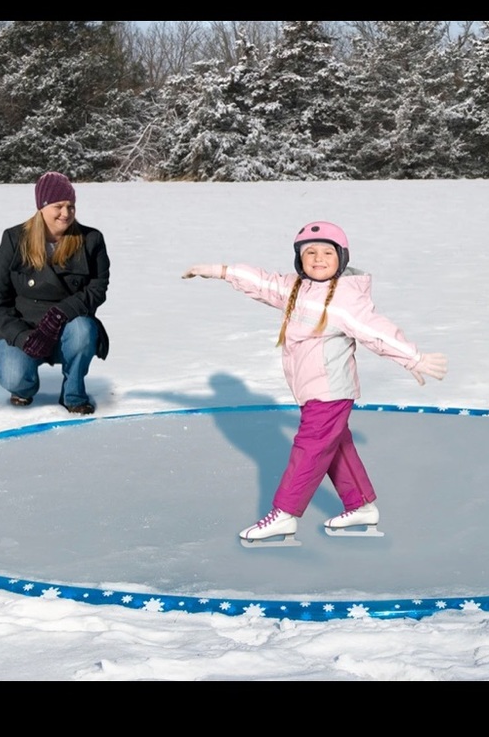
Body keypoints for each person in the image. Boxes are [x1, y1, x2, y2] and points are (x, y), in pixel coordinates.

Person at [182, 220, 448, 545]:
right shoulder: (297, 289)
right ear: (299, 259)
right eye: (310, 252)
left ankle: (284, 514)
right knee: (335, 446)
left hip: (330, 391)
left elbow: (375, 331)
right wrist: (222, 270)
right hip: (313, 390)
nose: (318, 259)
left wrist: (412, 357)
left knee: (310, 449)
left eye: (326, 252)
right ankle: (362, 504)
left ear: (341, 257)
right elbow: (264, 283)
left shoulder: (345, 299)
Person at [0, 171, 109, 415]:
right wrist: (21, 337)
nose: (66, 213)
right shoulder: (14, 239)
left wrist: (61, 313)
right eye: (58, 206)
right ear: (41, 207)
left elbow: (98, 288)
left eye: (71, 206)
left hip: (68, 324)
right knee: (13, 378)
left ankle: (73, 394)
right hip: (24, 326)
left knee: (84, 329)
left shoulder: (91, 239)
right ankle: (24, 386)